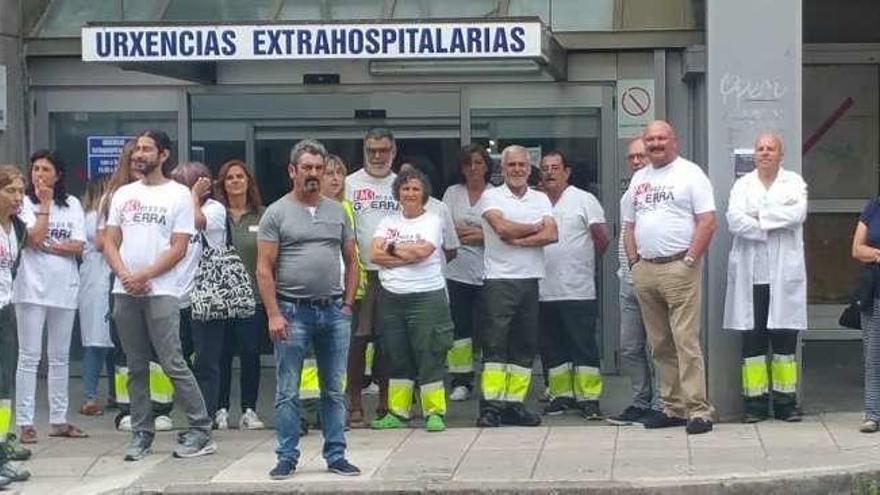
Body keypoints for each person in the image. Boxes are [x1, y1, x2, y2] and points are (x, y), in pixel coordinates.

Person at [103, 129, 216, 461]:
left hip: (162, 291)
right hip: (124, 291)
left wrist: (145, 275)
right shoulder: (123, 193)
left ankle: (200, 429)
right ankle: (141, 432)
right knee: (134, 365)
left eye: (147, 149)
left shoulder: (179, 194)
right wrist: (125, 275)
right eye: (137, 149)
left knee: (172, 362)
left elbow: (179, 247)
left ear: (164, 155)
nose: (139, 154)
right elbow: (110, 240)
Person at [257, 139, 360, 479]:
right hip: (291, 312)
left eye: (319, 168)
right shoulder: (276, 212)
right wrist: (273, 313)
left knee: (334, 388)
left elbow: (352, 259)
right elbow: (263, 268)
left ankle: (336, 454)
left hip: (333, 312)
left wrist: (347, 304)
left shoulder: (337, 210)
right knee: (288, 390)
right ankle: (286, 456)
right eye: (307, 168)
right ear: (293, 171)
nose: (314, 174)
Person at [622, 120, 716, 435]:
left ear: (673, 140)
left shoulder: (690, 174)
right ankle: (672, 408)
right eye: (650, 139)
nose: (655, 144)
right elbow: (629, 226)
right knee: (660, 344)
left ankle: (699, 411)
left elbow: (707, 221)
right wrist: (634, 263)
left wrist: (690, 259)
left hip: (680, 267)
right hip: (646, 269)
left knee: (685, 341)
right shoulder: (639, 178)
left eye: (661, 138)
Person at [723, 133, 807, 424]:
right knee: (753, 344)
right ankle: (755, 406)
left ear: (780, 154)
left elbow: (798, 214)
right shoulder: (742, 185)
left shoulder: (794, 182)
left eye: (771, 149)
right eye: (760, 148)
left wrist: (759, 217)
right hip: (752, 276)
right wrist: (770, 224)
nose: (765, 153)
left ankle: (786, 405)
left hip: (784, 276)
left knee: (785, 344)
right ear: (754, 155)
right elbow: (734, 220)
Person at [477, 145, 557, 428]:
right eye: (512, 165)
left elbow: (552, 233)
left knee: (524, 347)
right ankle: (491, 408)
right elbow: (501, 229)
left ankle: (514, 404)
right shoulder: (491, 196)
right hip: (499, 280)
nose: (518, 170)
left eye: (522, 165)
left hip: (530, 280)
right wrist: (534, 227)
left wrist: (520, 239)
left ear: (529, 167)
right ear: (502, 168)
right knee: (495, 346)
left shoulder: (540, 198)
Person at [369, 168, 454, 432]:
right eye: (405, 189)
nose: (410, 193)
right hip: (393, 298)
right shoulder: (387, 221)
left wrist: (391, 249)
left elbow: (424, 251)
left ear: (424, 193)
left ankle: (434, 412)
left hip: (427, 297)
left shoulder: (433, 220)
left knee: (430, 354)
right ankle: (398, 412)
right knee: (398, 355)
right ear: (398, 193)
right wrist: (405, 255)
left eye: (415, 189)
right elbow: (373, 255)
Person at [13, 150, 88, 443]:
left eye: (45, 169)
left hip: (64, 287)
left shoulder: (72, 204)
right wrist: (43, 205)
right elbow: (31, 238)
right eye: (34, 169)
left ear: (58, 175)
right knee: (29, 356)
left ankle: (59, 419)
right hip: (30, 288)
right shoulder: (22, 205)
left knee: (60, 357)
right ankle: (25, 422)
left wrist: (48, 246)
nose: (38, 174)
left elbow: (79, 245)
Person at [99, 141, 174, 433]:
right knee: (126, 352)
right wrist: (128, 276)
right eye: (133, 158)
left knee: (159, 350)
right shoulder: (114, 197)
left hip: (155, 281)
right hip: (122, 282)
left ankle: (160, 408)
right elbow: (102, 241)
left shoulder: (165, 195)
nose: (139, 162)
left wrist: (146, 275)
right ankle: (127, 409)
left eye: (144, 155)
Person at [538, 150, 609, 419]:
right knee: (552, 347)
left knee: (582, 346)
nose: (550, 172)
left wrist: (583, 261)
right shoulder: (536, 201)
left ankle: (589, 398)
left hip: (577, 288)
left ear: (566, 172)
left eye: (556, 167)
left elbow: (601, 237)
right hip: (544, 289)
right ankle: (561, 396)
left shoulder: (584, 199)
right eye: (545, 168)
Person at [343, 128, 397, 428]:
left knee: (389, 344)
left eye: (384, 150)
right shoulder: (349, 184)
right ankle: (354, 404)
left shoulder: (401, 185)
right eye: (372, 150)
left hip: (393, 274)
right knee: (357, 343)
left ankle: (387, 402)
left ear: (394, 152)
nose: (378, 156)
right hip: (359, 275)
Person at [170, 162, 229, 427]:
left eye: (184, 185)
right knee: (177, 360)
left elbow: (198, 222)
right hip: (174, 297)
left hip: (205, 297)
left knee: (206, 361)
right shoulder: (173, 211)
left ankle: (207, 415)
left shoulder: (214, 209)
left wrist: (193, 196)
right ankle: (182, 411)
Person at [608, 137, 661, 426]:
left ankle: (661, 404)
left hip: (651, 278)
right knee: (630, 346)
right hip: (627, 280)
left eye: (641, 156)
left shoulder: (660, 190)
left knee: (658, 346)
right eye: (632, 157)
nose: (637, 161)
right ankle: (640, 402)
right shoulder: (628, 193)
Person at [214, 159, 266, 430]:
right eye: (229, 178)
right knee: (221, 355)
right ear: (222, 184)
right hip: (220, 298)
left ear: (248, 181)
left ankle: (249, 409)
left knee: (250, 353)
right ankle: (220, 409)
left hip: (252, 296)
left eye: (240, 176)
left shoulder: (263, 215)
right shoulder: (213, 214)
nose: (235, 181)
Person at [442, 145, 493, 402]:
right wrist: (481, 232)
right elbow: (446, 229)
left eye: (478, 162)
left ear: (486, 166)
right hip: (456, 273)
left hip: (489, 274)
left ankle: (489, 381)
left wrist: (479, 233)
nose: (473, 168)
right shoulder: (452, 193)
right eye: (468, 163)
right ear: (461, 168)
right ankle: (461, 381)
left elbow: (498, 233)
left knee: (489, 330)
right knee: (459, 331)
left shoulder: (496, 195)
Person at [0, 165, 31, 487]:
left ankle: (1, 449)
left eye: (21, 191)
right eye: (10, 190)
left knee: (3, 385)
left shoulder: (18, 228)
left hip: (5, 308)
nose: (18, 197)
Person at [78, 176, 115, 417]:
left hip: (106, 280)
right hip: (95, 281)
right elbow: (104, 244)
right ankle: (89, 396)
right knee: (96, 343)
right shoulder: (92, 218)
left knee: (113, 344)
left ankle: (115, 393)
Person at [853, 184, 880, 433]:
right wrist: (877, 254)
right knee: (873, 356)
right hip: (875, 294)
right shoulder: (873, 207)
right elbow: (857, 248)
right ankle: (873, 414)